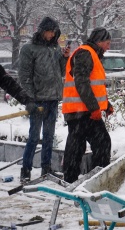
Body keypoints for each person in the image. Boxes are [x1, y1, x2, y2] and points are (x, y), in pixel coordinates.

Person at [18, 16, 70, 182]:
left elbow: (61, 72)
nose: (52, 35)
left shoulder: (55, 48)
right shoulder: (29, 49)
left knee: (49, 136)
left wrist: (65, 58)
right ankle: (26, 170)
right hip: (38, 100)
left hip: (53, 99)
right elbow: (24, 76)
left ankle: (46, 169)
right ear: (42, 31)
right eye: (49, 31)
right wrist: (29, 99)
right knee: (34, 137)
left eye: (54, 32)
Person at [62, 27, 113, 183]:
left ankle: (74, 179)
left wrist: (106, 105)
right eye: (107, 43)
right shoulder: (85, 53)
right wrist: (94, 108)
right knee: (100, 143)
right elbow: (81, 83)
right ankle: (96, 180)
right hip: (82, 111)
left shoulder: (89, 54)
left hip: (82, 111)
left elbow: (93, 85)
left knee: (79, 146)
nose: (108, 47)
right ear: (99, 41)